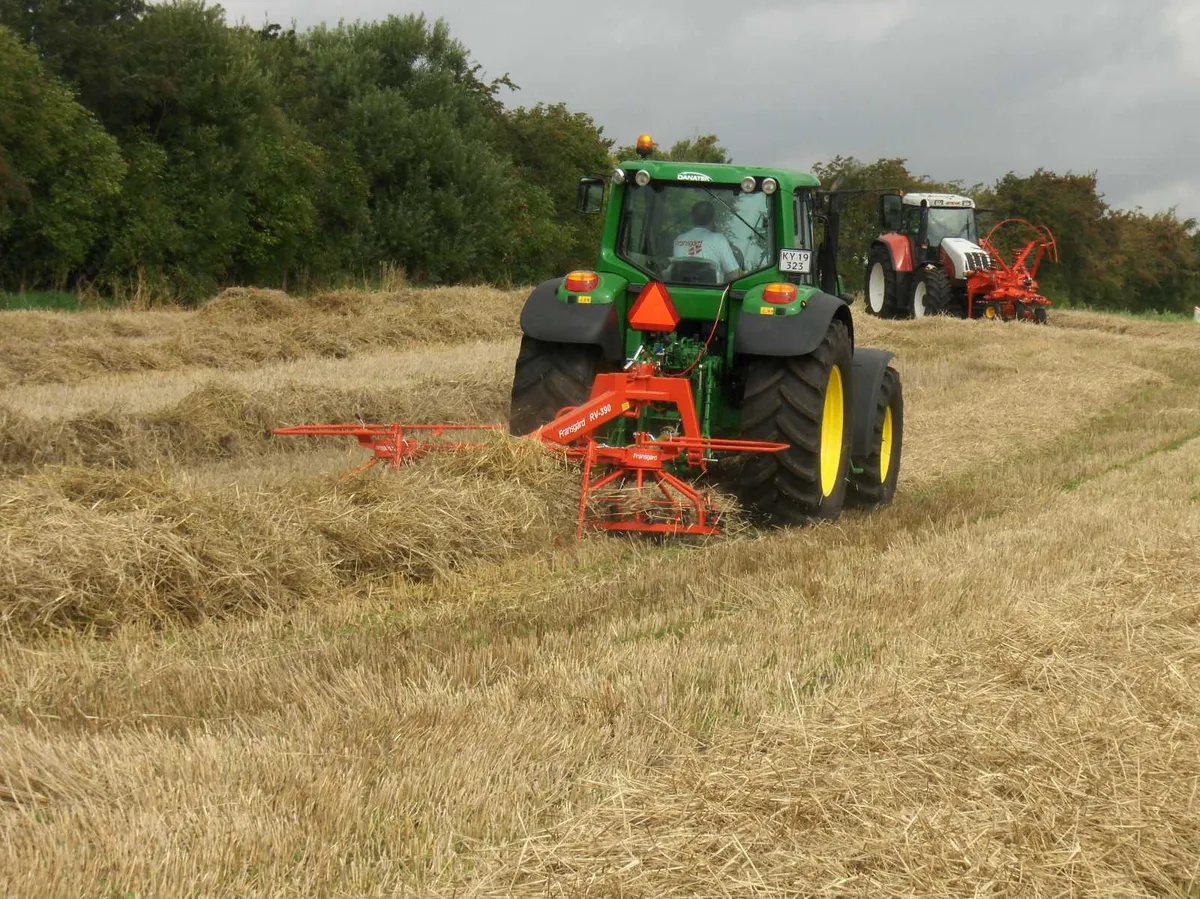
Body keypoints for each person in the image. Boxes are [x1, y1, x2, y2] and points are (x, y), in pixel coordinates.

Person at [671, 200, 741, 281]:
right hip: (711, 292)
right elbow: (736, 275)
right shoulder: (718, 239)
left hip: (679, 289)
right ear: (713, 218)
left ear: (692, 217)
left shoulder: (679, 239)